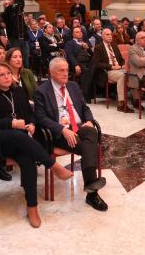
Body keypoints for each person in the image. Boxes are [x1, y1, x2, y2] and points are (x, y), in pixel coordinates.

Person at [0, 63, 73, 227]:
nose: (7, 77)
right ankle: (52, 165)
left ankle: (32, 207)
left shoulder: (18, 91)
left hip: (21, 141)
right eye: (2, 75)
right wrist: (11, 123)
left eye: (8, 73)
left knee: (28, 158)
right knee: (16, 135)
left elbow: (31, 115)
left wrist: (32, 124)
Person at [34, 58, 108, 211]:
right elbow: (41, 118)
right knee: (90, 146)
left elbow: (84, 107)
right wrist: (62, 130)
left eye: (67, 70)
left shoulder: (73, 86)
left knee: (91, 130)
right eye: (61, 70)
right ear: (51, 72)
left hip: (79, 127)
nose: (66, 73)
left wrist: (88, 120)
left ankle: (90, 186)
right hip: (59, 132)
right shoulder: (41, 91)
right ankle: (92, 192)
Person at [92, 28, 131, 113]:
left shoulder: (114, 45)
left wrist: (123, 64)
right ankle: (121, 103)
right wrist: (111, 66)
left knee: (132, 74)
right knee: (123, 76)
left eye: (111, 34)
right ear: (102, 36)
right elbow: (96, 63)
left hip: (119, 69)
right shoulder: (99, 47)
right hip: (107, 71)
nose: (110, 36)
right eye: (107, 34)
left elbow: (121, 59)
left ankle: (136, 100)